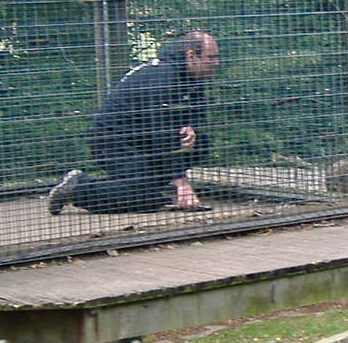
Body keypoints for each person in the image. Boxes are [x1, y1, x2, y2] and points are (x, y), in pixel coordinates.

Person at [47, 30, 220, 215]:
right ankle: (78, 188)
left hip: (143, 141)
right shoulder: (162, 77)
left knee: (199, 143)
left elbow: (197, 112)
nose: (216, 63)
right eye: (211, 57)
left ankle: (145, 184)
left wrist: (191, 127)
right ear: (191, 56)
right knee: (146, 197)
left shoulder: (191, 78)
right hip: (115, 141)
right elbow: (160, 131)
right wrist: (181, 181)